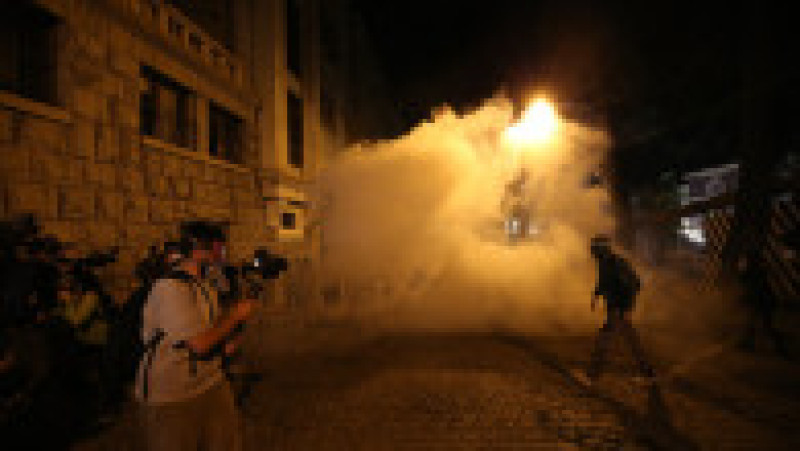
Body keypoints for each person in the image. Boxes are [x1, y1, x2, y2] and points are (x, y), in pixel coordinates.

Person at [135, 221, 255, 451]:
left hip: (212, 383)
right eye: (219, 247)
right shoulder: (169, 288)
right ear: (200, 249)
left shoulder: (207, 287)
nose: (223, 253)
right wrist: (235, 317)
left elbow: (221, 340)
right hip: (172, 395)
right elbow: (199, 344)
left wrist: (237, 325)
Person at [585, 236, 654, 383]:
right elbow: (603, 282)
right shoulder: (605, 263)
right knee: (629, 337)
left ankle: (594, 373)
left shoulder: (616, 264)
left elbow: (633, 285)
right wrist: (596, 295)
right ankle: (647, 370)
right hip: (616, 307)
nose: (593, 253)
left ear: (602, 250)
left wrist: (624, 308)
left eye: (595, 249)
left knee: (605, 337)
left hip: (618, 307)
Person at [735, 250, 789, 358]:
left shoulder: (753, 272)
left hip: (761, 301)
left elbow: (750, 285)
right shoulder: (758, 270)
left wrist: (745, 299)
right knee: (754, 323)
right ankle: (749, 342)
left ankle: (780, 347)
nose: (742, 263)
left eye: (744, 261)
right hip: (763, 301)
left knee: (765, 326)